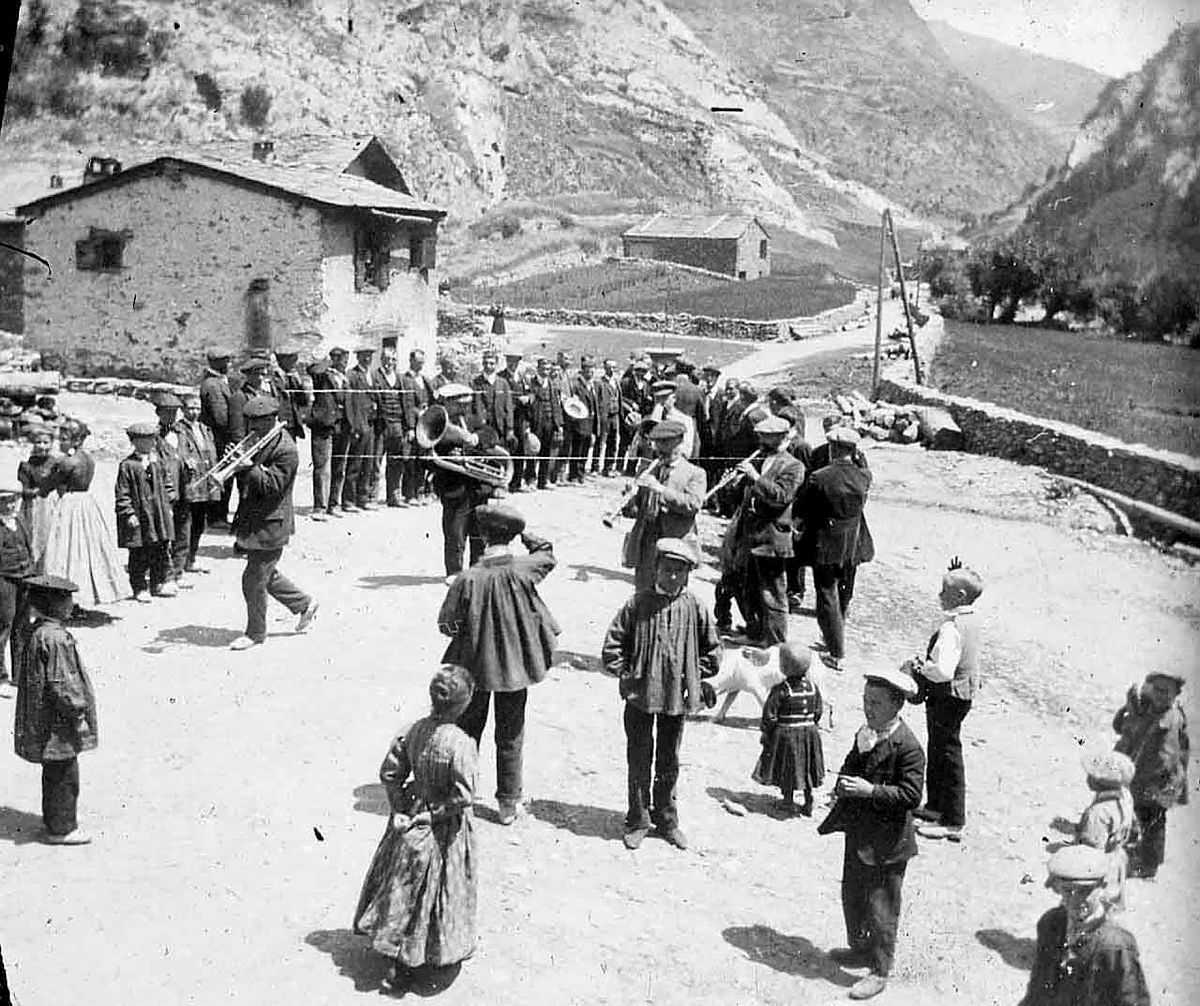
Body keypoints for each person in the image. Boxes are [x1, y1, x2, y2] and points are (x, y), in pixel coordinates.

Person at [353, 664, 479, 994]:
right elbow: (464, 795)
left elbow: (391, 774)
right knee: (436, 890)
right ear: (464, 705)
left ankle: (396, 952)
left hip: (411, 815)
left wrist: (399, 809)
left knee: (402, 886)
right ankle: (418, 958)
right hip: (443, 828)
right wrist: (436, 814)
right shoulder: (461, 744)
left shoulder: (413, 731)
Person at [437, 503, 559, 825]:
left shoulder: (468, 578)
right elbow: (547, 552)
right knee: (510, 735)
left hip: (474, 670)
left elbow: (445, 625)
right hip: (516, 670)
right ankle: (507, 804)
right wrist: (525, 535)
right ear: (513, 536)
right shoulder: (524, 569)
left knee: (467, 733)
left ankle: (460, 797)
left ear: (481, 534)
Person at [602, 537, 721, 851]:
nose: (671, 577)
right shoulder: (637, 603)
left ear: (687, 575)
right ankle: (637, 819)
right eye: (666, 569)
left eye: (678, 572)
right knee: (639, 757)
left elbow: (713, 652)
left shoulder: (694, 606)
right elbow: (612, 646)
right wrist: (628, 676)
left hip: (675, 701)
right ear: (655, 569)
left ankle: (667, 819)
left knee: (669, 761)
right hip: (640, 699)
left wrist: (693, 675)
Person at [818, 667, 924, 1001]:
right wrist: (843, 785)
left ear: (896, 706)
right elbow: (851, 766)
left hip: (888, 845)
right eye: (866, 701)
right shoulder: (866, 734)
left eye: (876, 703)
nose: (868, 708)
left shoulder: (907, 747)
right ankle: (861, 949)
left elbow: (911, 796)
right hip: (860, 836)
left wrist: (870, 790)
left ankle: (879, 971)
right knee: (853, 896)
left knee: (882, 909)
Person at [13, 574, 99, 845]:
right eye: (67, 600)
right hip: (58, 721)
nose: (71, 605)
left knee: (53, 771)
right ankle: (61, 828)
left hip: (43, 717)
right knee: (65, 772)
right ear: (55, 606)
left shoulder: (37, 631)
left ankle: (54, 819)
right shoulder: (57, 639)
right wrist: (79, 713)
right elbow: (63, 683)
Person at [227, 397, 318, 650]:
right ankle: (304, 604)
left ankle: (255, 633)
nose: (251, 429)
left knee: (253, 579)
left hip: (272, 524)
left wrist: (248, 467)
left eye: (256, 424)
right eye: (250, 423)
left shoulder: (286, 449)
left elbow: (272, 486)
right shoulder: (262, 439)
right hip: (256, 520)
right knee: (264, 574)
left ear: (271, 420)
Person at [905, 560, 984, 842]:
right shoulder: (972, 619)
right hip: (963, 694)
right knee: (939, 749)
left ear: (959, 596)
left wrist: (921, 667)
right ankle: (937, 806)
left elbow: (942, 671)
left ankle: (953, 820)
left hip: (946, 695)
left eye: (944, 590)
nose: (939, 595)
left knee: (947, 754)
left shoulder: (951, 628)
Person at [1019, 844, 1150, 1006]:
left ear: (1102, 887)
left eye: (1084, 891)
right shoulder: (1051, 924)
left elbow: (1133, 1000)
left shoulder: (1115, 944)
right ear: (1057, 888)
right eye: (1068, 891)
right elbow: (1038, 989)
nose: (1075, 900)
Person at [722, 414, 804, 646]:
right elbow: (746, 498)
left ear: (780, 437)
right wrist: (734, 485)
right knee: (746, 587)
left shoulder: (793, 466)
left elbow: (781, 497)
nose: (761, 441)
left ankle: (776, 642)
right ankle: (756, 632)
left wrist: (755, 477)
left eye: (765, 437)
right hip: (749, 536)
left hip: (771, 538)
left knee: (772, 594)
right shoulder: (761, 459)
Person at [798, 426, 875, 669]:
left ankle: (836, 652)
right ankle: (834, 635)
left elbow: (803, 508)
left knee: (826, 593)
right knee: (843, 590)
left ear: (833, 448)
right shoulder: (864, 476)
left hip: (827, 542)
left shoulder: (820, 477)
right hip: (854, 541)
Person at [38, 419, 125, 608]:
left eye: (65, 439)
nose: (60, 442)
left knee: (66, 550)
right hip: (87, 504)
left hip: (70, 505)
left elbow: (46, 487)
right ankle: (83, 597)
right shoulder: (88, 459)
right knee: (86, 551)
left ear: (76, 441)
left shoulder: (67, 462)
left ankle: (67, 599)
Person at [1112, 669, 1189, 879]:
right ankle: (1136, 852)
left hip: (1158, 782)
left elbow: (1167, 758)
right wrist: (1130, 707)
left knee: (1153, 821)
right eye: (1157, 689)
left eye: (1166, 692)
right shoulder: (1148, 708)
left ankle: (1149, 865)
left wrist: (1150, 783)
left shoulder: (1170, 719)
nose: (1160, 695)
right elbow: (1122, 727)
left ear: (1175, 695)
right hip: (1143, 776)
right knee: (1137, 814)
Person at [617, 420, 706, 594]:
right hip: (647, 540)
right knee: (643, 592)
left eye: (665, 443)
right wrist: (629, 499)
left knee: (669, 594)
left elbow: (693, 504)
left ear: (679, 441)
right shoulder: (649, 469)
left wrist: (661, 489)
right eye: (657, 443)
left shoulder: (695, 473)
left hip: (674, 542)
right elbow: (636, 511)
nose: (658, 448)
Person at [430, 385, 501, 584]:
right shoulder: (436, 423)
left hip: (477, 485)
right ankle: (454, 571)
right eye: (457, 403)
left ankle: (477, 569)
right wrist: (448, 455)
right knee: (454, 531)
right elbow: (428, 450)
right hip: (453, 485)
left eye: (464, 403)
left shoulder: (472, 420)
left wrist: (477, 438)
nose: (462, 407)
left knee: (479, 531)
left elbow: (492, 433)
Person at [752, 642, 825, 817]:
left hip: (787, 735)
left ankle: (788, 801)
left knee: (788, 768)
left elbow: (770, 714)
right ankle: (808, 800)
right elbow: (818, 711)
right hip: (809, 734)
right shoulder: (814, 688)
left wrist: (767, 732)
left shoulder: (781, 690)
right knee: (807, 767)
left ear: (783, 667)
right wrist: (809, 726)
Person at [115, 422, 176, 602]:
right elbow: (122, 492)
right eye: (145, 440)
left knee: (160, 548)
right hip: (140, 516)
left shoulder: (158, 462)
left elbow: (168, 483)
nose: (150, 443)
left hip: (158, 515)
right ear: (134, 442)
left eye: (152, 439)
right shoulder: (128, 465)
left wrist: (169, 503)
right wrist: (129, 513)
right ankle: (139, 587)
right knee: (139, 552)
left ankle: (158, 582)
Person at [1070, 750, 1136, 911]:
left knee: (1091, 909)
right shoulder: (1125, 796)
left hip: (1101, 866)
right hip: (1116, 859)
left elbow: (1091, 850)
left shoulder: (1098, 813)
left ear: (1101, 782)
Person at [173, 395, 221, 573]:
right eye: (190, 408)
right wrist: (186, 459)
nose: (194, 412)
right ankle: (178, 563)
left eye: (197, 408)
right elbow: (177, 452)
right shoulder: (178, 430)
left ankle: (191, 559)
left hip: (205, 484)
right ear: (183, 410)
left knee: (199, 523)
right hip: (190, 483)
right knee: (185, 524)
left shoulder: (205, 429)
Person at [306, 346, 350, 520]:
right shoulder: (322, 374)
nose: (345, 363)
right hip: (323, 424)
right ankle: (320, 507)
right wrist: (329, 361)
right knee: (322, 467)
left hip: (342, 425)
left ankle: (334, 503)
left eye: (346, 360)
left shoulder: (344, 378)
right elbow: (313, 369)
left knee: (339, 467)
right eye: (342, 359)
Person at [152, 392, 191, 587]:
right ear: (158, 413)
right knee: (165, 532)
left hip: (184, 488)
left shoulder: (183, 433)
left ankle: (178, 571)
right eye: (167, 412)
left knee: (183, 530)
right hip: (165, 491)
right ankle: (164, 574)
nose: (171, 416)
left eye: (174, 412)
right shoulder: (153, 437)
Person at [0, 485, 33, 700]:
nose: (11, 504)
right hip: (4, 581)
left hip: (24, 579)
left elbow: (30, 548)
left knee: (22, 627)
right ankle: (1, 677)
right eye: (5, 501)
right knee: (4, 626)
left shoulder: (20, 521)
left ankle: (19, 676)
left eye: (13, 500)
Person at [199, 346, 236, 526]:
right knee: (222, 475)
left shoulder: (218, 381)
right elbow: (221, 418)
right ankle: (216, 517)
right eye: (226, 361)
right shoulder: (213, 385)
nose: (229, 364)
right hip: (218, 437)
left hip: (219, 436)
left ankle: (217, 515)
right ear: (218, 363)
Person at [17, 421, 58, 568]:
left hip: (51, 504)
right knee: (33, 536)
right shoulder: (27, 464)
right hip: (33, 505)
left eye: (46, 442)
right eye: (38, 442)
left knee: (51, 535)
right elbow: (23, 488)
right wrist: (33, 492)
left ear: (52, 443)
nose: (42, 446)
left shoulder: (55, 463)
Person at [345, 345, 379, 510]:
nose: (367, 359)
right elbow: (349, 403)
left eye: (369, 356)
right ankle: (349, 500)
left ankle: (363, 498)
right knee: (355, 464)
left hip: (371, 425)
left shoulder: (371, 375)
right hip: (359, 425)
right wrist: (354, 427)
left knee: (368, 463)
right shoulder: (352, 375)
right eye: (364, 356)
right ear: (358, 357)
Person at [399, 349, 435, 506]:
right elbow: (407, 405)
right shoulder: (406, 379)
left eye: (422, 362)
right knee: (411, 461)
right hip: (414, 425)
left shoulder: (425, 380)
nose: (420, 365)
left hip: (425, 427)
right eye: (418, 362)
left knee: (422, 460)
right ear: (411, 361)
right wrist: (410, 427)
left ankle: (420, 491)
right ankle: (409, 494)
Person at [372, 346, 407, 507]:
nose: (389, 363)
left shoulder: (400, 379)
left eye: (393, 359)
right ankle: (372, 496)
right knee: (376, 462)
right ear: (381, 360)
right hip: (381, 426)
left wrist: (407, 426)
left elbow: (405, 403)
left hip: (397, 425)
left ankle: (394, 496)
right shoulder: (375, 377)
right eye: (386, 359)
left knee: (396, 462)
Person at [528, 356, 564, 491]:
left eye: (548, 369)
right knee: (533, 451)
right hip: (536, 423)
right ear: (538, 369)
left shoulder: (551, 385)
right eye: (543, 368)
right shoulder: (531, 384)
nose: (546, 371)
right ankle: (530, 479)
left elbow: (555, 405)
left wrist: (559, 424)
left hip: (549, 423)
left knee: (546, 452)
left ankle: (543, 480)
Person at [471, 349, 514, 451]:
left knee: (500, 454)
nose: (488, 366)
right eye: (486, 363)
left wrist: (510, 429)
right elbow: (472, 407)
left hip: (499, 427)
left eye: (491, 363)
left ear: (496, 364)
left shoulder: (503, 383)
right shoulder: (476, 382)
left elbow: (508, 407)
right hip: (482, 428)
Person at [565, 356, 599, 483]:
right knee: (577, 450)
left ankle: (581, 473)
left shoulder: (592, 385)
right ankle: (574, 474)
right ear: (583, 371)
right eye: (588, 371)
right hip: (579, 423)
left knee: (585, 450)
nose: (590, 373)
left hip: (589, 424)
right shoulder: (577, 385)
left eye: (592, 371)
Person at [594, 358, 623, 477]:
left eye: (613, 367)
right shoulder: (600, 383)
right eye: (609, 367)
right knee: (600, 442)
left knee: (613, 442)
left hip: (615, 415)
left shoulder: (616, 382)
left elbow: (619, 398)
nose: (611, 370)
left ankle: (608, 467)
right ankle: (595, 467)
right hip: (604, 416)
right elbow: (598, 401)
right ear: (604, 368)